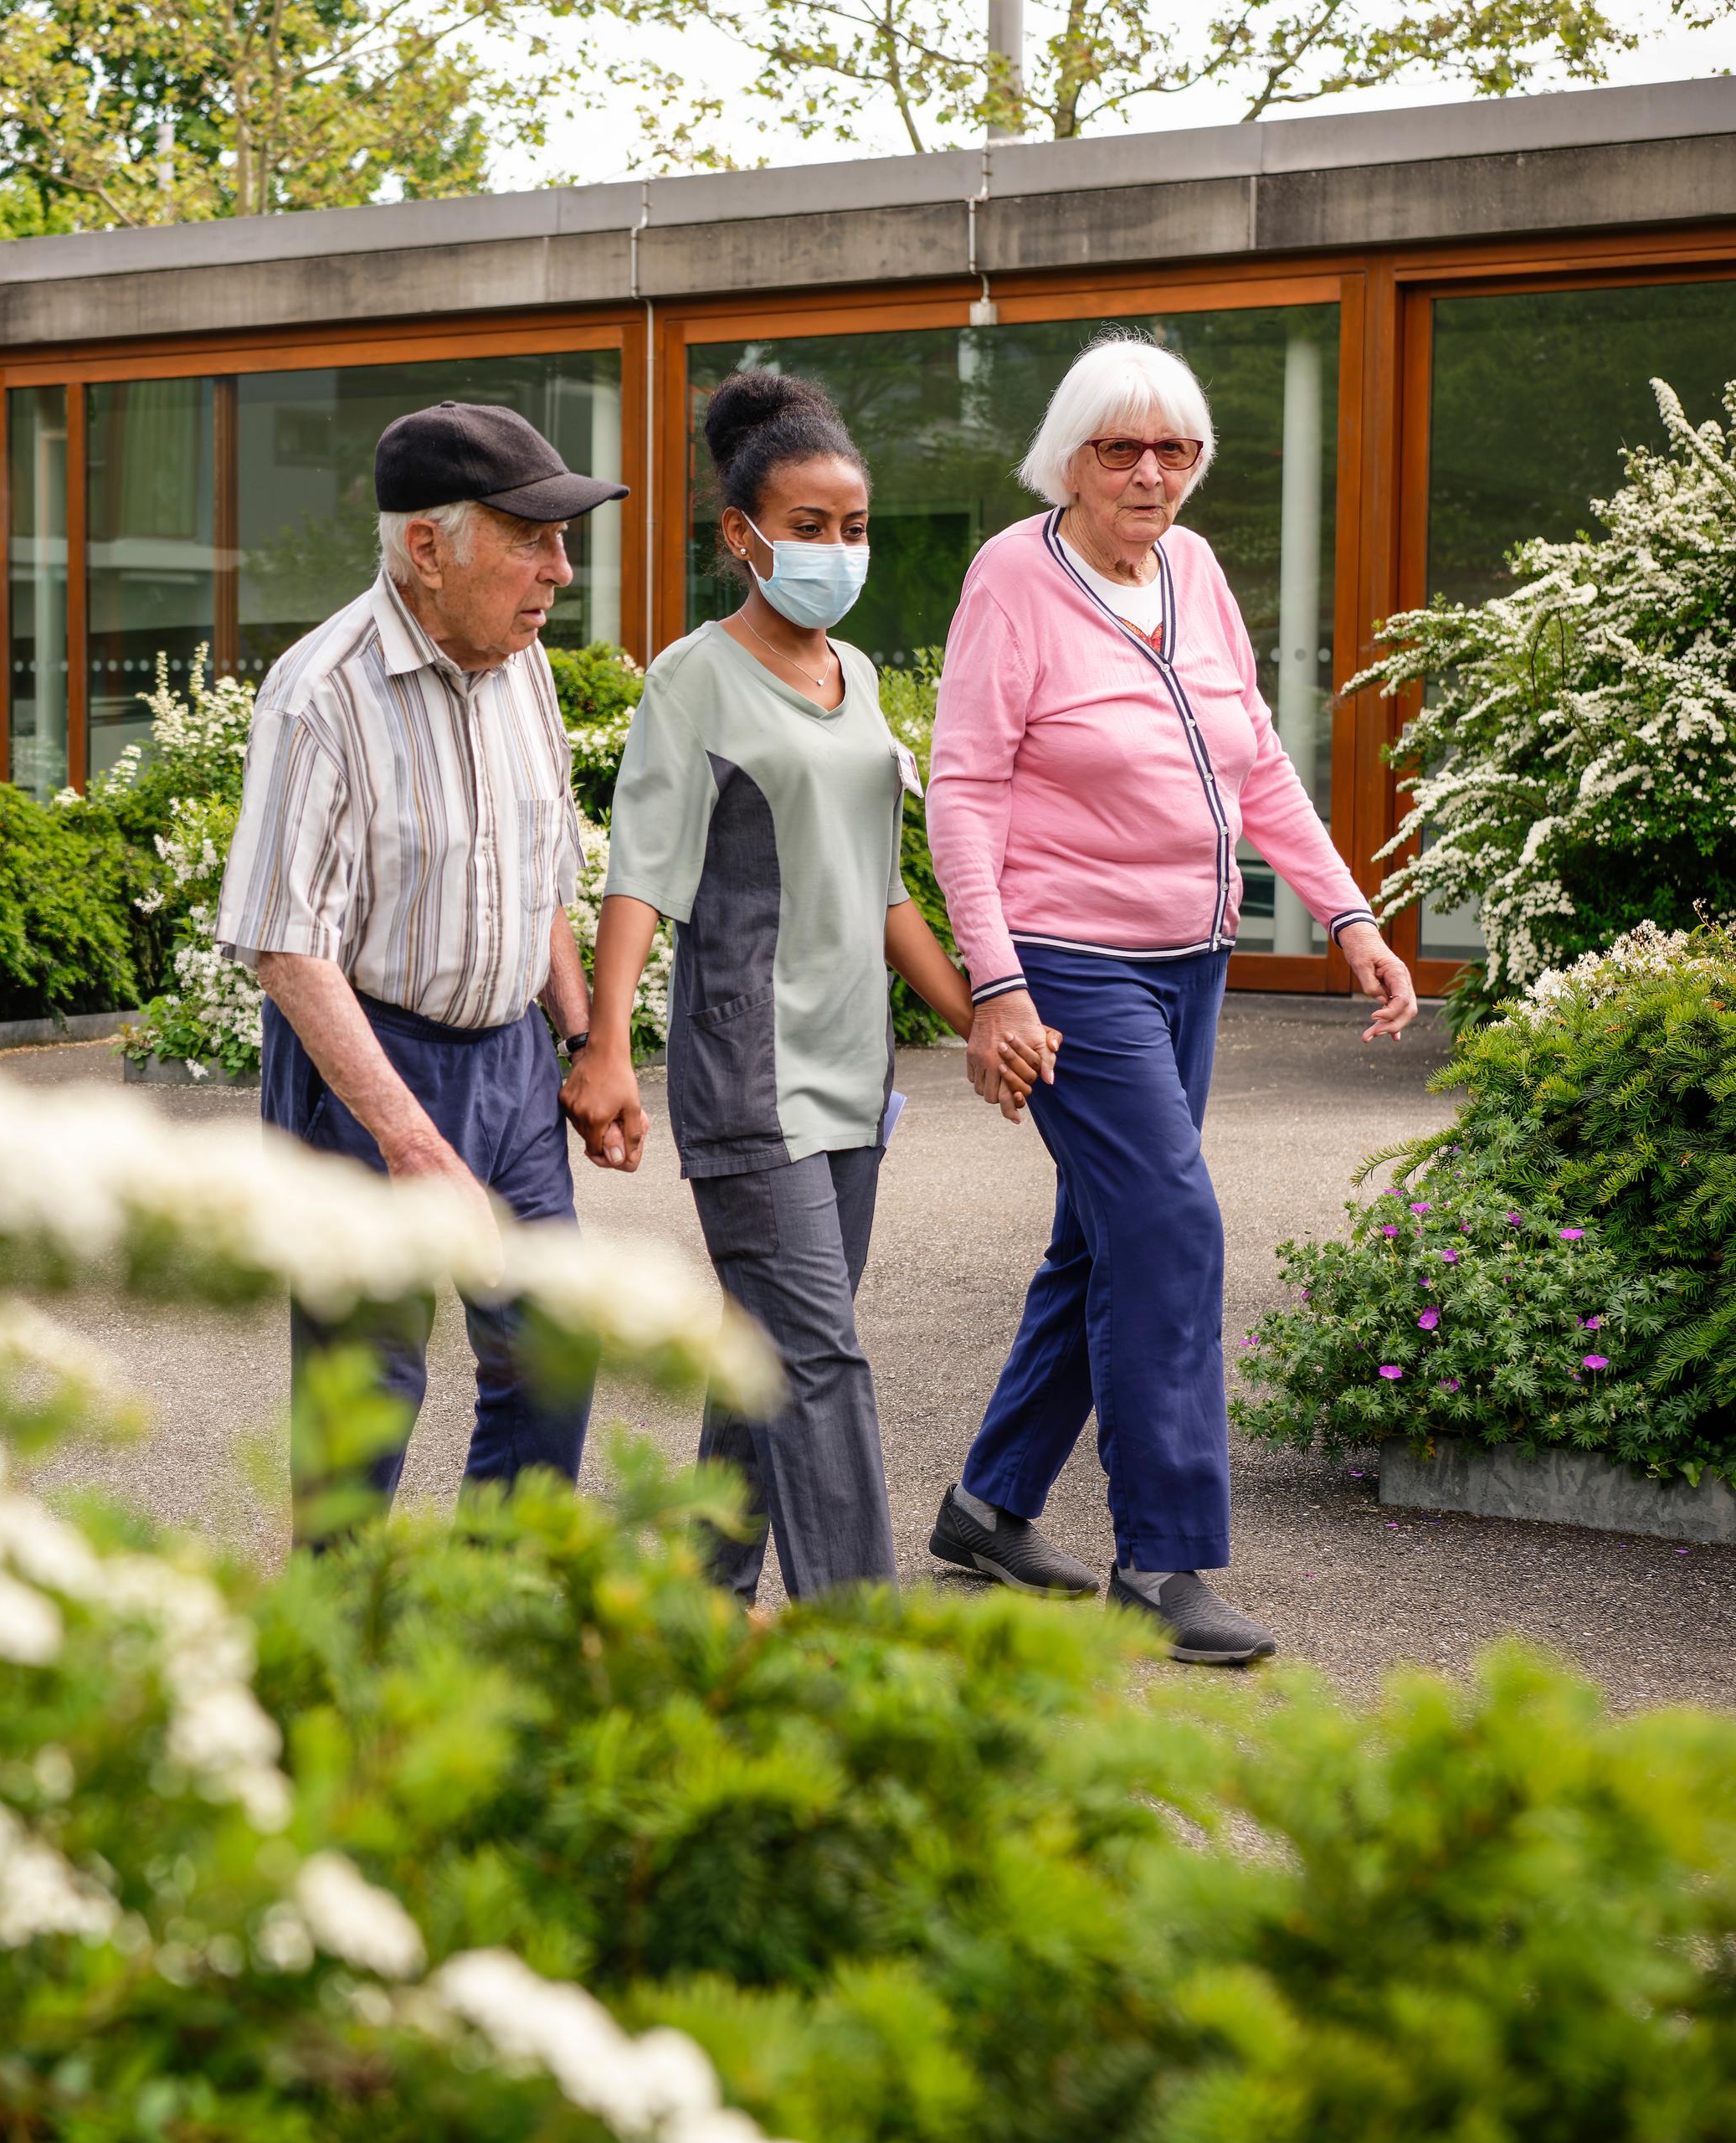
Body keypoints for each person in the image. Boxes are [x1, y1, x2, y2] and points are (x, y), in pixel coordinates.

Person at [922, 333, 1420, 1665]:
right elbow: (962, 788)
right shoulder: (1012, 582)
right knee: (1174, 1228)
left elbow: (1255, 760)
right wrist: (998, 982)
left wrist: (1352, 912)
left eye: (1177, 450)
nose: (1152, 475)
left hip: (1188, 954)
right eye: (1121, 449)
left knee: (1108, 1239)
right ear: (1068, 459)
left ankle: (988, 1506)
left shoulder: (1192, 571)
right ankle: (1165, 1558)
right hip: (1068, 960)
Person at [562, 373, 1051, 1603]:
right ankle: (859, 1650)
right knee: (823, 1358)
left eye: (854, 527)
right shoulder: (694, 679)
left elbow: (882, 889)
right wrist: (608, 1046)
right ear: (743, 535)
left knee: (766, 1357)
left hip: (852, 1075)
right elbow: (644, 879)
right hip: (749, 1077)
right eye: (809, 526)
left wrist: (981, 1011)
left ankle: (697, 1604)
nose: (837, 550)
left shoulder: (863, 676)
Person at [216, 401, 628, 1539]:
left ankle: (488, 1625)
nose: (560, 567)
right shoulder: (320, 693)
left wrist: (589, 1038)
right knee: (368, 1401)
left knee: (549, 1352)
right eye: (530, 538)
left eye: (563, 538)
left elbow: (540, 869)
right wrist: (408, 1140)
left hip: (508, 1060)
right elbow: (283, 940)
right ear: (428, 548)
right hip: (364, 1074)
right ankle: (336, 1678)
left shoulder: (522, 660)